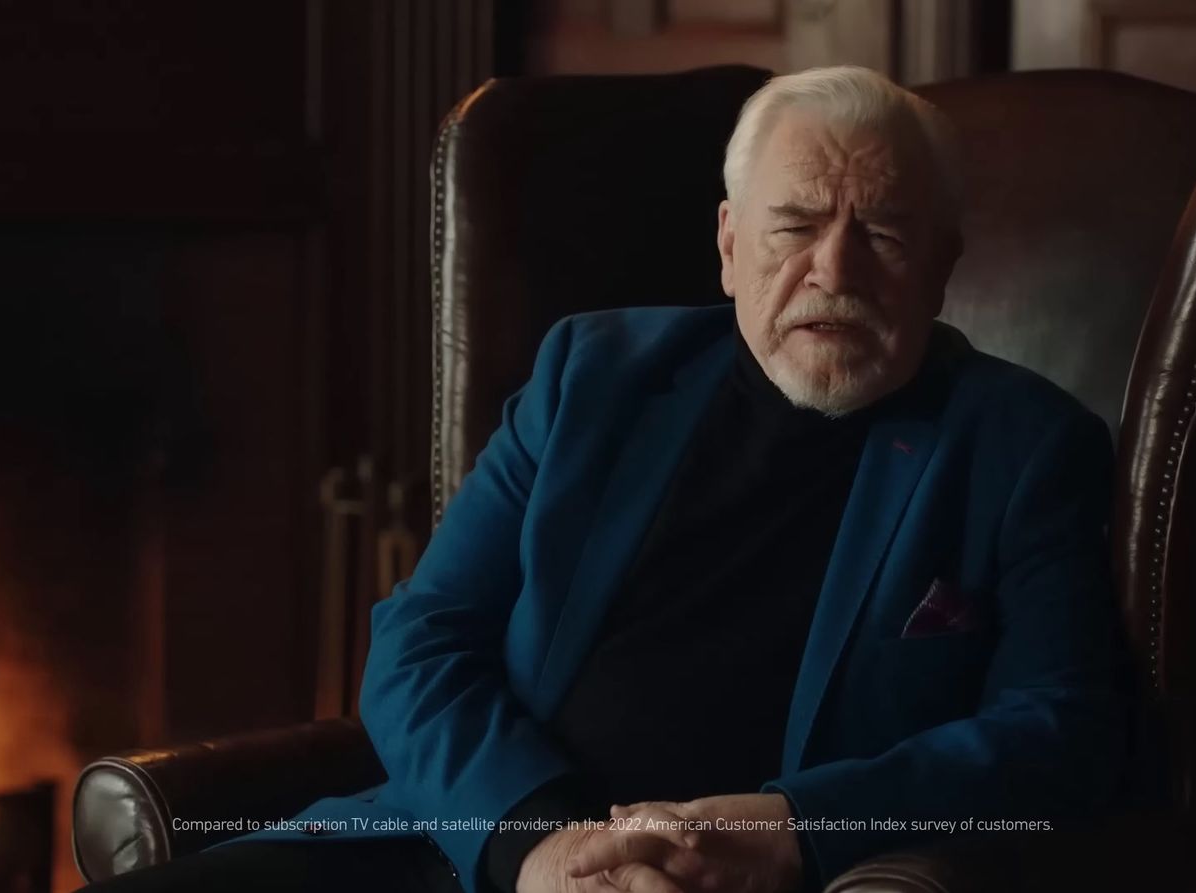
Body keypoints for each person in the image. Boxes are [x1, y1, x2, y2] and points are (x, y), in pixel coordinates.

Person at [82, 65, 1129, 893]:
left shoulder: (1021, 446)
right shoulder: (594, 376)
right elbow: (421, 637)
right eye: (796, 224)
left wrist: (798, 828)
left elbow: (1065, 726)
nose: (836, 269)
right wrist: (532, 847)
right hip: (466, 851)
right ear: (728, 246)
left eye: (884, 232)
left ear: (944, 262)